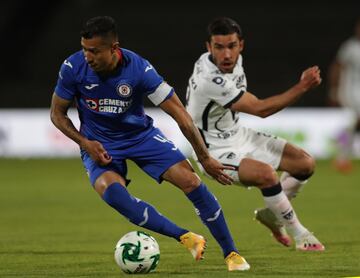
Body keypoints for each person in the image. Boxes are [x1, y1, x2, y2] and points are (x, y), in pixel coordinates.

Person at [50, 16, 250, 271]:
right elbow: (57, 113)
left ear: (114, 48)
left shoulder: (139, 70)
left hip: (140, 137)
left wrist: (204, 157)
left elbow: (181, 116)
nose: (87, 57)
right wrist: (85, 142)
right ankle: (185, 237)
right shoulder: (72, 67)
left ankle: (231, 253)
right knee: (114, 195)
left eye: (94, 51)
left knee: (191, 181)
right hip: (98, 143)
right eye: (84, 49)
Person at [186, 17, 325, 251]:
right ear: (208, 47)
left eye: (231, 46)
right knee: (267, 175)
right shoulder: (209, 78)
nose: (227, 54)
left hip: (239, 134)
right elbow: (261, 109)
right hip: (213, 149)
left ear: (241, 45)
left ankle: (272, 215)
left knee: (304, 164)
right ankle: (300, 234)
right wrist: (302, 87)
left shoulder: (233, 61)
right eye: (219, 47)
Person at [327, 17, 360, 173]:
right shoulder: (350, 47)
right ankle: (342, 157)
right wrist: (334, 91)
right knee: (354, 121)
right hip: (351, 92)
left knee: (351, 126)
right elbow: (337, 67)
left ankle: (340, 143)